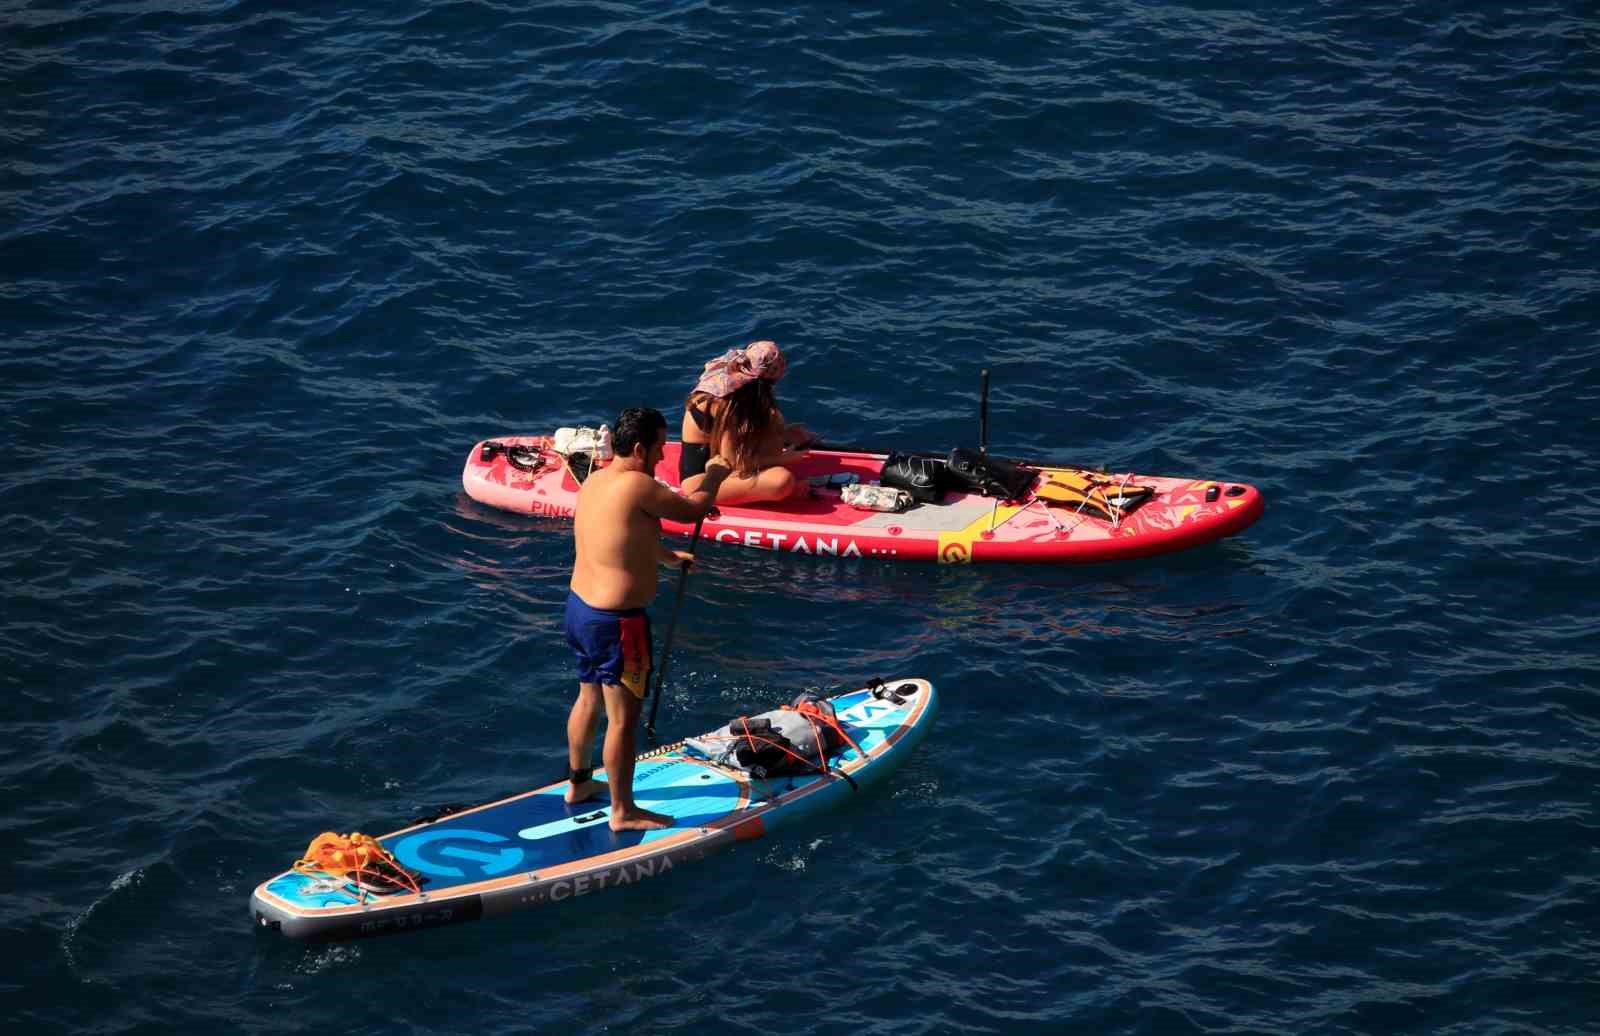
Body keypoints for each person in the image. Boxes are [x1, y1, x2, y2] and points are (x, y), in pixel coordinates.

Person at [564, 406, 731, 830]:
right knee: (623, 718)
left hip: (581, 610)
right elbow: (692, 510)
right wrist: (713, 474)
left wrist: (667, 558)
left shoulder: (597, 480)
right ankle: (623, 812)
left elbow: (624, 534)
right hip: (618, 623)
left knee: (588, 698)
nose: (661, 456)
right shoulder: (638, 484)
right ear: (639, 448)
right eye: (658, 447)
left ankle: (579, 782)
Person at [678, 340, 817, 505]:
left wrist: (785, 434)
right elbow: (731, 463)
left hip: (719, 461)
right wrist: (782, 459)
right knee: (782, 480)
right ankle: (790, 491)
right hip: (704, 482)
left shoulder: (740, 384)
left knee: (775, 421)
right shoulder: (727, 402)